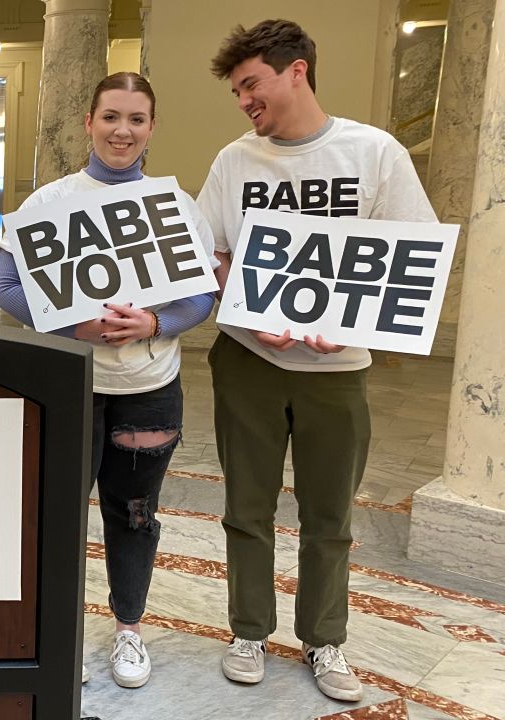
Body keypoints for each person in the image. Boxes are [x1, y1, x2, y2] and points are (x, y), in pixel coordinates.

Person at [201, 19, 436, 702]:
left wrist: (354, 322)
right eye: (238, 90)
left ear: (295, 70)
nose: (245, 100)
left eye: (252, 84)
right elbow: (212, 255)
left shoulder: (374, 152)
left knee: (329, 516)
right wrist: (245, 311)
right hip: (248, 360)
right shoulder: (234, 161)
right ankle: (248, 629)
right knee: (246, 507)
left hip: (338, 371)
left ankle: (325, 641)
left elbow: (409, 255)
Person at [0, 72, 218, 690]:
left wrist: (154, 320)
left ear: (151, 128)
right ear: (89, 122)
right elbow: (7, 291)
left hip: (149, 388)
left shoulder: (176, 207)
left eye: (137, 119)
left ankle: (128, 631)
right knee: (57, 514)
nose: (123, 130)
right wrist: (72, 329)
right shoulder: (46, 205)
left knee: (135, 515)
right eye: (111, 117)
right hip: (68, 384)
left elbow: (202, 297)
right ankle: (55, 636)